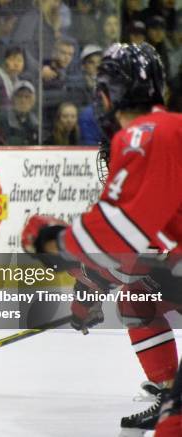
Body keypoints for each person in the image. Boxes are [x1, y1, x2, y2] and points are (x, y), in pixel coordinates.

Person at [21, 43, 182, 436]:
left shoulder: (146, 136)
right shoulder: (171, 128)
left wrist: (51, 240)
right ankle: (168, 395)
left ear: (107, 94)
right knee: (138, 296)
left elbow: (116, 239)